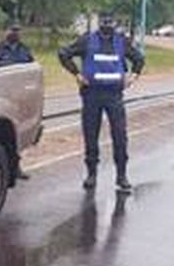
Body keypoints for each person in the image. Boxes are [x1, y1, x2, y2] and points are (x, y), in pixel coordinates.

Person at [58, 12, 145, 193]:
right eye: (104, 22)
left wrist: (133, 76)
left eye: (110, 22)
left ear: (114, 24)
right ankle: (92, 175)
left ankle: (122, 176)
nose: (107, 25)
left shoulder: (122, 41)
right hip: (92, 95)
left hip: (114, 96)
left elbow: (139, 58)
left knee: (120, 136)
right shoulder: (87, 40)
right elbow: (63, 53)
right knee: (91, 136)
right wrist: (77, 74)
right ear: (100, 24)